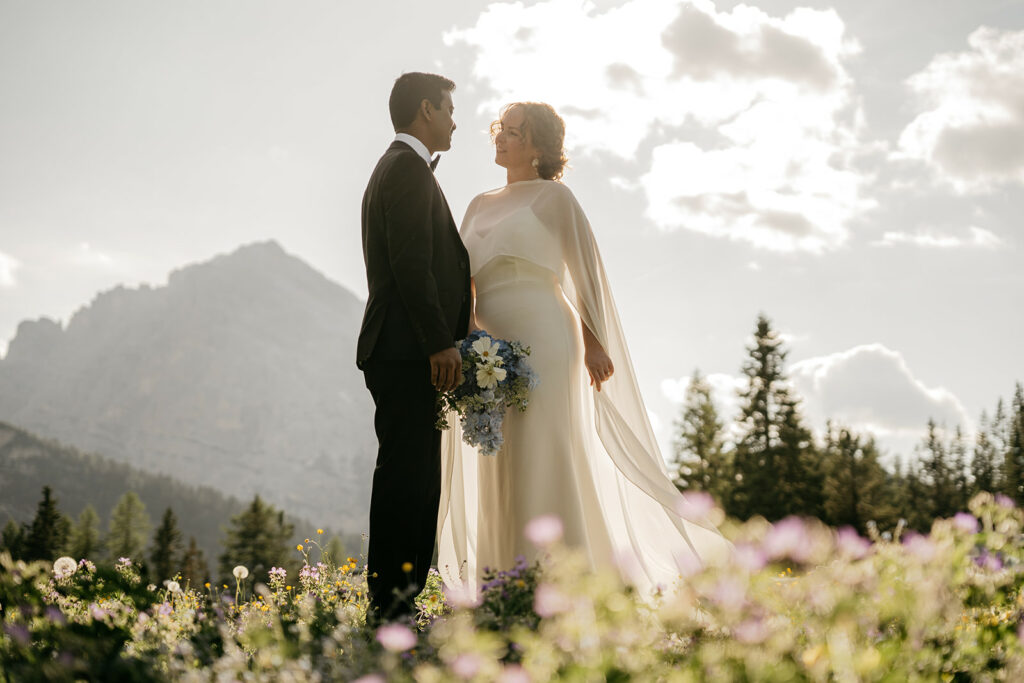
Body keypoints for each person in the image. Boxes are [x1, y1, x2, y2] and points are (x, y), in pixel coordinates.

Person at [436, 102, 731, 601]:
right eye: (499, 130)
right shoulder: (477, 204)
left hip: (547, 338)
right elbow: (459, 280)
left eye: (513, 132)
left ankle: (561, 587)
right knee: (499, 458)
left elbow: (587, 277)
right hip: (486, 347)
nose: (500, 139)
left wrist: (596, 344)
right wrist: (469, 339)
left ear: (538, 146)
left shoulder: (557, 200)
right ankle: (504, 590)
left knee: (544, 450)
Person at [356, 72, 471, 622]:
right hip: (407, 351)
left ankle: (396, 605)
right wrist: (439, 344)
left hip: (403, 349)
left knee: (414, 479)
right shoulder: (405, 169)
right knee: (409, 483)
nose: (455, 119)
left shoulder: (401, 167)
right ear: (426, 109)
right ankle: (391, 610)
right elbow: (410, 265)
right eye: (449, 108)